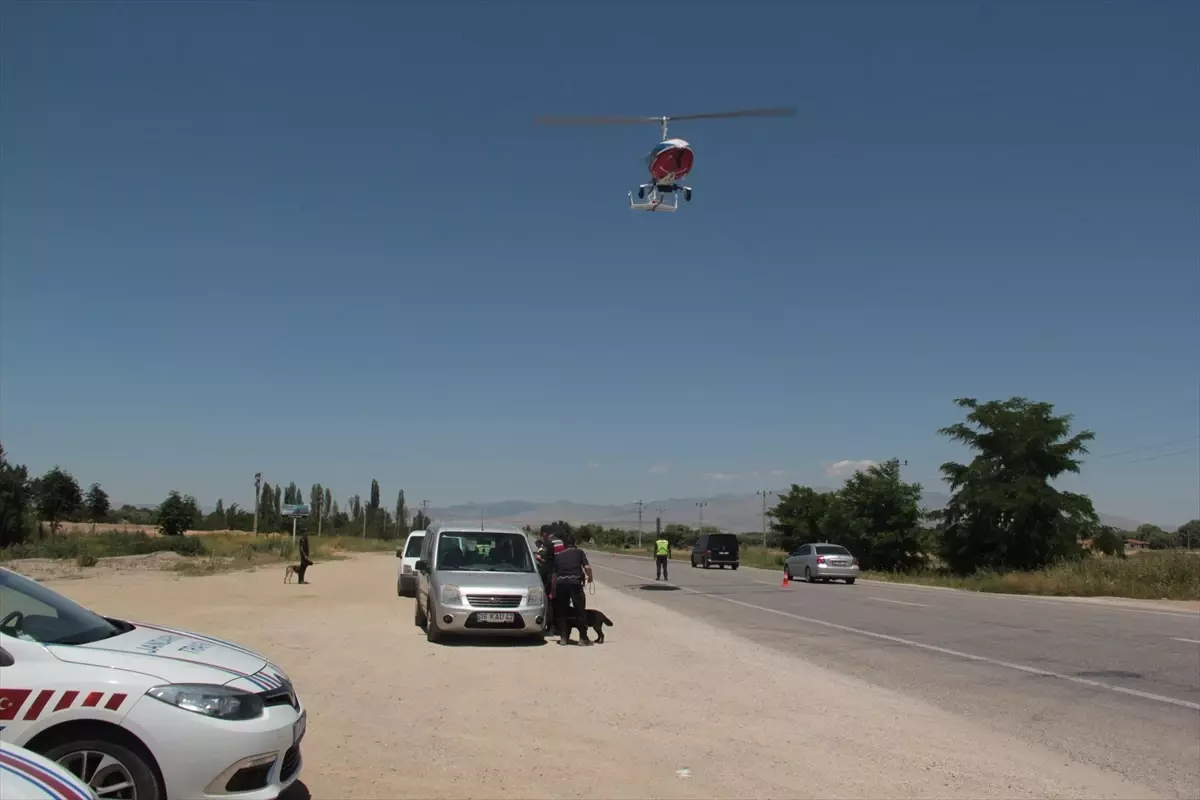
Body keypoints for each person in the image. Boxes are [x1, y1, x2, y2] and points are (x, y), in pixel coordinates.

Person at [551, 533, 593, 646]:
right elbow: (587, 567)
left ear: (564, 545)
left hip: (561, 585)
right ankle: (583, 638)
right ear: (575, 543)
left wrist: (553, 591)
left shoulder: (558, 556)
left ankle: (564, 637)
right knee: (580, 610)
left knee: (562, 611)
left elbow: (554, 576)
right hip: (575, 583)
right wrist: (590, 578)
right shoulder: (579, 552)